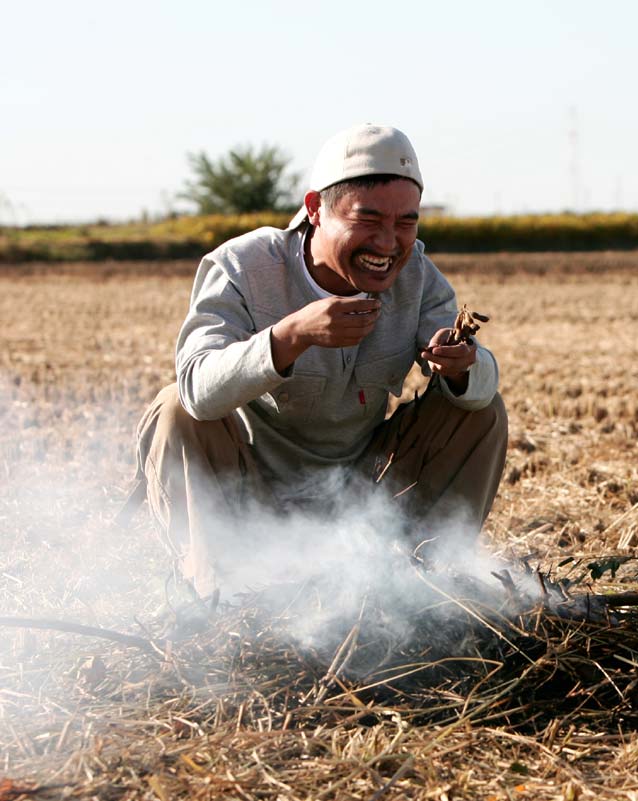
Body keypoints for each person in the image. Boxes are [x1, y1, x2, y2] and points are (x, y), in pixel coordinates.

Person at [131, 124, 507, 598]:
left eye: (406, 222)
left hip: (365, 495)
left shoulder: (415, 276)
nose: (389, 243)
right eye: (368, 220)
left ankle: (420, 596)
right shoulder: (243, 267)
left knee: (479, 410)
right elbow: (197, 389)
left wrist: (462, 364)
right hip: (249, 493)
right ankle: (217, 598)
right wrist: (292, 335)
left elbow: (480, 382)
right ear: (315, 209)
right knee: (174, 410)